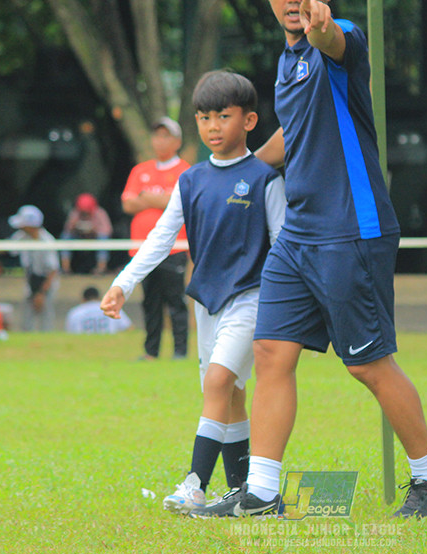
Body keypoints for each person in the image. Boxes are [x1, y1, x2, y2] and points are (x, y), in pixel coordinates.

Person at [199, 0, 427, 519]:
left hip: (352, 230)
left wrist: (324, 29)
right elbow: (291, 135)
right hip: (299, 233)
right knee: (270, 351)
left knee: (367, 363)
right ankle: (263, 493)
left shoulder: (338, 41)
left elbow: (333, 40)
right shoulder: (287, 61)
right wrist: (235, 172)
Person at [102, 70, 286, 514]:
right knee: (232, 393)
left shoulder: (265, 178)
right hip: (206, 300)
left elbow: (283, 246)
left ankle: (194, 484)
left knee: (218, 382)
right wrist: (123, 284)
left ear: (249, 120)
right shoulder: (191, 180)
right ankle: (244, 493)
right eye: (204, 117)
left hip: (252, 297)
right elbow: (162, 237)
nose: (213, 126)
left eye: (224, 116)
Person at [121, 116, 191, 361]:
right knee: (150, 301)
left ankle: (180, 351)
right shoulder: (141, 170)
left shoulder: (185, 171)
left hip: (174, 248)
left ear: (177, 141)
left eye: (165, 136)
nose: (159, 141)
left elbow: (181, 203)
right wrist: (160, 200)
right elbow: (128, 203)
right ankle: (151, 351)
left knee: (175, 300)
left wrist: (148, 199)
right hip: (142, 247)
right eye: (156, 135)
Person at [8, 204, 60, 331]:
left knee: (46, 319)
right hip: (30, 279)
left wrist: (41, 293)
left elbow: (53, 270)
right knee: (27, 319)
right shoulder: (22, 236)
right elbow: (7, 248)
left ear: (30, 226)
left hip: (46, 282)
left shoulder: (47, 241)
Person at [60, 193, 113, 274]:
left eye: (87, 212)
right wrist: (75, 226)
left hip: (95, 238)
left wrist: (94, 230)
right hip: (79, 237)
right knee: (65, 236)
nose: (85, 214)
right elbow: (67, 229)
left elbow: (108, 231)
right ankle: (65, 269)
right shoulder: (75, 213)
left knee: (103, 238)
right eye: (83, 212)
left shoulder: (100, 212)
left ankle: (100, 269)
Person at [66, 286, 132, 334]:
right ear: (100, 298)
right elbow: (129, 329)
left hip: (83, 345)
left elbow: (69, 333)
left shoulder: (75, 312)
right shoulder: (111, 308)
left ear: (83, 299)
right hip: (109, 343)